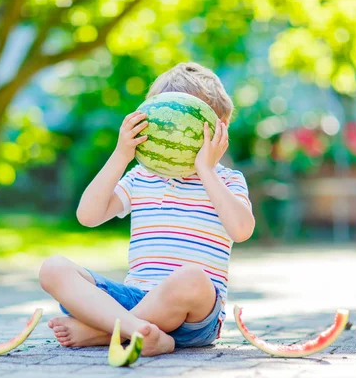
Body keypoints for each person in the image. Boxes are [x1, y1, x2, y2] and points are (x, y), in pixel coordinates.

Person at [39, 62, 255, 356]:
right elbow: (87, 216)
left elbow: (241, 230)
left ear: (220, 131)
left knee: (192, 277)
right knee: (53, 269)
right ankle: (139, 331)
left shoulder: (226, 180)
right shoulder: (141, 177)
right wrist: (120, 155)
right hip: (136, 299)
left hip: (195, 315)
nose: (175, 132)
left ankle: (103, 332)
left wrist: (206, 169)